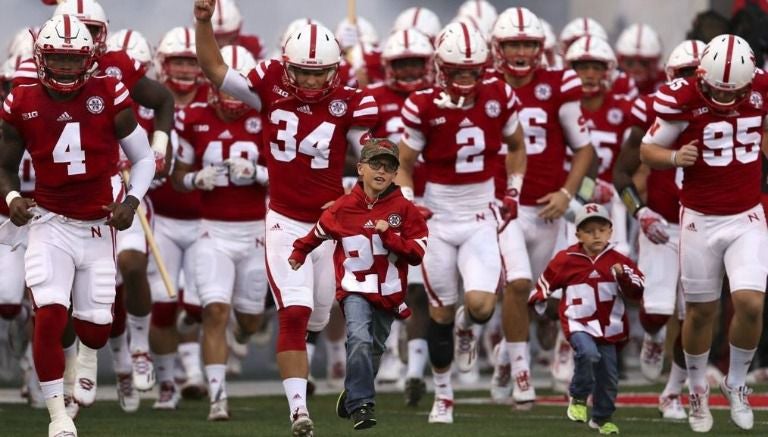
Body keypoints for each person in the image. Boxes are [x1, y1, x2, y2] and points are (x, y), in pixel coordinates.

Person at [194, 1, 378, 434]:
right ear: (287, 66)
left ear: (334, 70)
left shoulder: (351, 100)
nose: (312, 80)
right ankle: (299, 410)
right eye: (304, 72)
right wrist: (203, 22)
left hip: (330, 224)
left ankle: (304, 381)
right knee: (293, 313)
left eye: (320, 73)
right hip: (284, 220)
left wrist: (382, 185)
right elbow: (215, 68)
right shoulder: (269, 81)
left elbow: (370, 155)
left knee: (317, 313)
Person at [0, 14, 155, 437]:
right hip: (48, 222)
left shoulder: (109, 90)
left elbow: (144, 159)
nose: (66, 67)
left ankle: (87, 358)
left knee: (95, 330)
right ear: (41, 57)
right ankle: (58, 416)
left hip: (97, 224)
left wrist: (132, 200)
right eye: (57, 58)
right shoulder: (22, 98)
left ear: (88, 57)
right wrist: (13, 197)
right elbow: (4, 165)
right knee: (49, 315)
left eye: (73, 58)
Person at [395, 22, 526, 424]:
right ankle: (444, 396)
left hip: (480, 213)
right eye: (459, 71)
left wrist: (514, 191)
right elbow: (404, 163)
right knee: (439, 312)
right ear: (443, 69)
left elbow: (517, 146)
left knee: (482, 307)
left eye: (473, 71)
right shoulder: (422, 104)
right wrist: (410, 203)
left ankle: (469, 328)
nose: (467, 79)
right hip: (438, 215)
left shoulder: (499, 94)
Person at [640, 34, 768, 433]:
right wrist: (676, 156)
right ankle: (696, 390)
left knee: (750, 303)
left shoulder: (762, 90)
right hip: (698, 217)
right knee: (700, 312)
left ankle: (737, 382)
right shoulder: (682, 98)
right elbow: (648, 151)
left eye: (734, 93)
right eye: (715, 90)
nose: (724, 98)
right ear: (701, 77)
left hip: (746, 215)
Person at [488, 7, 594, 406]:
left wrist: (568, 194)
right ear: (498, 47)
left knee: (540, 297)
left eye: (527, 43)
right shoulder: (483, 84)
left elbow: (583, 150)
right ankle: (522, 373)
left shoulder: (560, 83)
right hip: (503, 205)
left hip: (549, 206)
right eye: (513, 43)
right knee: (516, 285)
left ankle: (504, 358)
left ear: (540, 47)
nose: (520, 50)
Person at [288, 138, 428, 430]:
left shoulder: (405, 209)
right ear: (361, 168)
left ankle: (352, 393)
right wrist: (299, 251)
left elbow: (417, 255)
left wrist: (390, 237)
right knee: (360, 340)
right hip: (354, 289)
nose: (381, 171)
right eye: (375, 164)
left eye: (388, 167)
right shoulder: (342, 207)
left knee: (372, 350)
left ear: (394, 174)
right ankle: (363, 405)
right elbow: (319, 231)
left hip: (389, 294)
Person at [170, 44, 269, 421]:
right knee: (214, 311)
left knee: (249, 321)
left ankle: (243, 337)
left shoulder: (268, 117)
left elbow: (292, 178)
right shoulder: (192, 116)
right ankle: (218, 398)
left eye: (236, 88)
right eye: (224, 87)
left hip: (256, 232)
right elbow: (177, 178)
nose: (230, 97)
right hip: (211, 230)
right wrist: (196, 177)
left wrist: (258, 174)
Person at [612, 39, 706, 420]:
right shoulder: (654, 108)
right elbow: (621, 172)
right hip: (663, 222)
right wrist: (641, 213)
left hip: (705, 223)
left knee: (696, 313)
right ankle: (651, 337)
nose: (695, 83)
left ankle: (672, 392)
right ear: (670, 77)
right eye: (686, 74)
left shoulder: (733, 113)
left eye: (699, 74)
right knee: (656, 311)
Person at [529, 203, 644, 435]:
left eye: (601, 229)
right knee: (588, 354)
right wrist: (540, 304)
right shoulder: (566, 258)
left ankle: (601, 418)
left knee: (609, 377)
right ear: (578, 234)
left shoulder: (619, 260)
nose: (596, 235)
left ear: (610, 231)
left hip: (609, 328)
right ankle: (579, 397)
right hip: (578, 323)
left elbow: (638, 290)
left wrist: (624, 276)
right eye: (589, 230)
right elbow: (544, 284)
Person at [364, 27, 434, 404]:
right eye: (401, 63)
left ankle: (415, 369)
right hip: (382, 202)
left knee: (419, 288)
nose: (408, 70)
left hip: (427, 199)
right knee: (379, 285)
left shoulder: (436, 99)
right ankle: (386, 356)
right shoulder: (373, 99)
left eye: (415, 63)